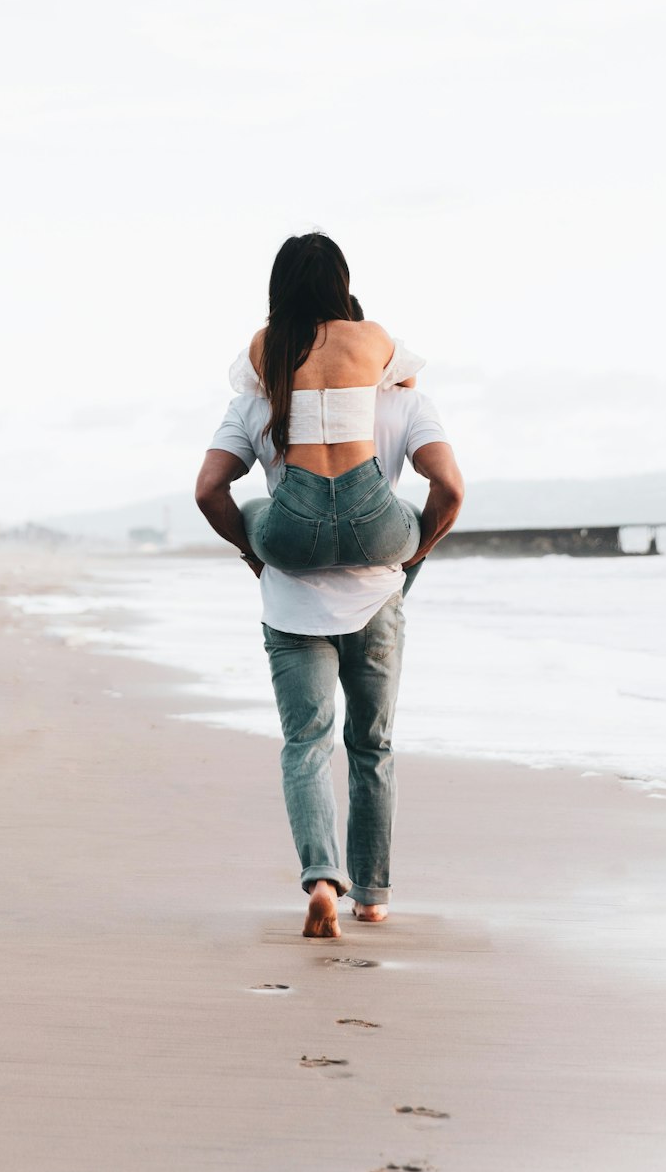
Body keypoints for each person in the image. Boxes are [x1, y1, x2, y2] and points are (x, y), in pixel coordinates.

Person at [195, 239, 464, 938]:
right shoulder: (401, 393)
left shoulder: (258, 393)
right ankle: (372, 893)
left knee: (306, 744)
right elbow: (451, 489)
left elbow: (209, 491)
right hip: (376, 580)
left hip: (291, 585)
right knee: (371, 745)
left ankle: (320, 877)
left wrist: (257, 557)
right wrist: (410, 564)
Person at [229, 233, 426, 572]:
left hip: (294, 528)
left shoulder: (266, 344)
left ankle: (269, 572)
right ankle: (390, 600)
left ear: (280, 285)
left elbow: (251, 389)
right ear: (340, 281)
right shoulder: (370, 335)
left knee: (252, 509)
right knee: (415, 518)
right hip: (371, 518)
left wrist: (255, 554)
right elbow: (407, 381)